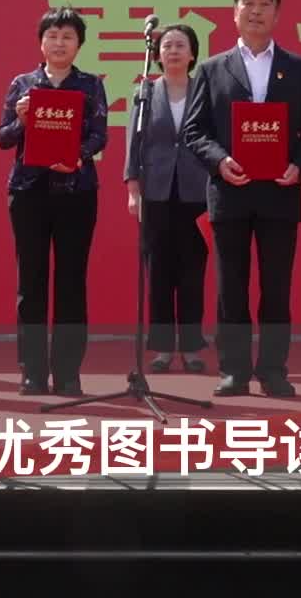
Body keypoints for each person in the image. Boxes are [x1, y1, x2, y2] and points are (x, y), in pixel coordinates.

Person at [180, 0, 301, 398]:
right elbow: (194, 130)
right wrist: (219, 160)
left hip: (280, 191)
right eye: (248, 1)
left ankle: (274, 369)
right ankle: (234, 370)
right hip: (230, 191)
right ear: (234, 11)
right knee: (231, 287)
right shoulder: (212, 69)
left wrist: (299, 165)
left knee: (276, 287)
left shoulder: (299, 69)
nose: (256, 10)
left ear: (277, 13)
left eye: (265, 2)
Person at [0, 7, 111, 396]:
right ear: (41, 42)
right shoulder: (22, 85)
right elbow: (3, 138)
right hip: (28, 192)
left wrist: (77, 155)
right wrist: (21, 120)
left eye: (67, 37)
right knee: (30, 283)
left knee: (71, 282)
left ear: (79, 44)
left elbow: (100, 135)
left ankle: (67, 372)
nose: (59, 43)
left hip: (76, 192)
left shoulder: (90, 85)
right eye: (52, 36)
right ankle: (32, 371)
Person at [124, 23, 212, 375]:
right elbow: (134, 143)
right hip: (156, 192)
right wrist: (133, 190)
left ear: (192, 54)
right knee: (158, 273)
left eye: (180, 45)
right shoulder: (145, 93)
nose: (173, 51)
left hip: (197, 193)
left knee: (192, 273)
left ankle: (191, 348)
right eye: (167, 46)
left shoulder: (205, 90)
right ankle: (161, 348)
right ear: (157, 55)